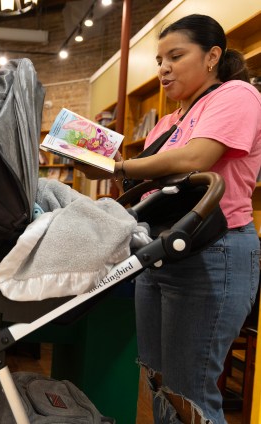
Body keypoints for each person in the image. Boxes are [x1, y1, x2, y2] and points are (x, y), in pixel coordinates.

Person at [77, 14, 261, 423]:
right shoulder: (167, 121)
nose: (163, 68)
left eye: (176, 56)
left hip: (215, 250)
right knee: (159, 380)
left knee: (191, 389)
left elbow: (198, 158)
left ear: (212, 56)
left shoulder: (236, 95)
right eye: (160, 59)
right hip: (162, 250)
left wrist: (119, 167)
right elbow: (151, 184)